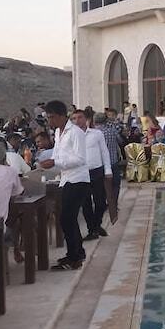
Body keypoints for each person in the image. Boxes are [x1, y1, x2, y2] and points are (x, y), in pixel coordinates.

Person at [39, 101, 90, 270]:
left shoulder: (75, 133)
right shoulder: (57, 132)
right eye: (48, 117)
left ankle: (74, 257)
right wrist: (50, 163)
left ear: (62, 116)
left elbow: (80, 159)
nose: (50, 121)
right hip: (66, 179)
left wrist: (55, 162)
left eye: (52, 117)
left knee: (66, 219)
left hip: (78, 179)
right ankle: (77, 252)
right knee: (69, 218)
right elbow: (57, 155)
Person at [72, 110, 112, 241]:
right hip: (81, 172)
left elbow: (104, 151)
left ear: (86, 119)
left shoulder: (96, 134)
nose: (77, 120)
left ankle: (96, 224)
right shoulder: (71, 136)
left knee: (100, 202)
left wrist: (108, 169)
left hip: (96, 171)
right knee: (86, 203)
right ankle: (92, 230)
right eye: (74, 118)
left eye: (80, 117)